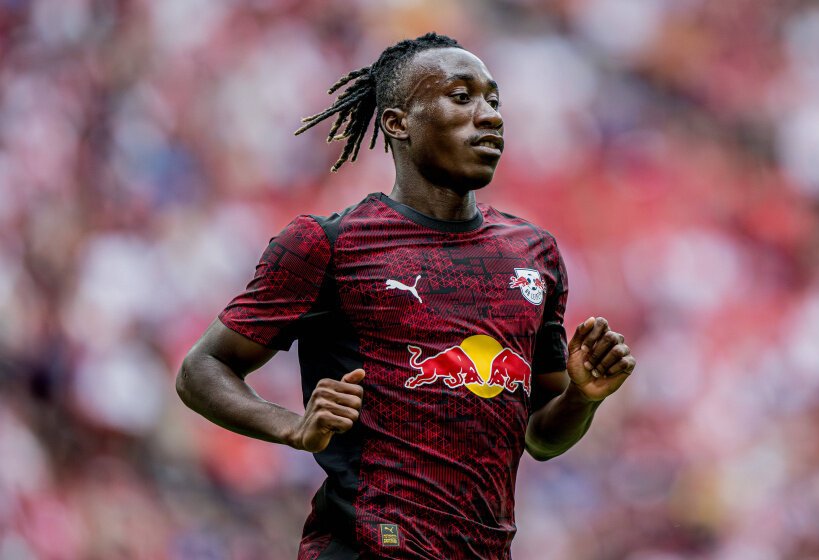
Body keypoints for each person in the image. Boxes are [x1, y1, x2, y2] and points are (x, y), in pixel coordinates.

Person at [176, 32, 636, 560]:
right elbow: (201, 369)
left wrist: (582, 398)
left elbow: (542, 437)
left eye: (493, 100)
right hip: (364, 548)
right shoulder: (329, 243)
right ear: (398, 123)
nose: (490, 116)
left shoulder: (535, 255)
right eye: (461, 97)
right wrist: (291, 426)